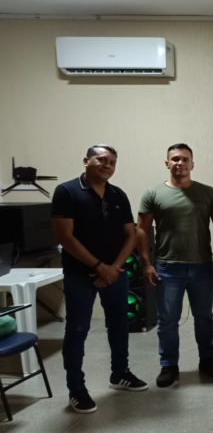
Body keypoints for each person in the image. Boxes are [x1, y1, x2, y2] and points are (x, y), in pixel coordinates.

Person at [52, 145, 147, 413]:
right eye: (101, 160)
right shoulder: (67, 192)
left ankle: (120, 374)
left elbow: (131, 234)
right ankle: (76, 389)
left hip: (114, 274)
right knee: (78, 330)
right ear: (86, 160)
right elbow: (65, 237)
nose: (107, 165)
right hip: (80, 275)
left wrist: (114, 268)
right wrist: (98, 266)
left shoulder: (118, 195)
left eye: (112, 162)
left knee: (119, 324)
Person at [137, 143, 213, 388]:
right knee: (167, 321)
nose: (179, 163)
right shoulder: (153, 194)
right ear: (167, 163)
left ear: (192, 164)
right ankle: (169, 365)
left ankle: (207, 360)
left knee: (205, 318)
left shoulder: (208, 193)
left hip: (202, 267)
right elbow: (141, 231)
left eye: (185, 159)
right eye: (174, 159)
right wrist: (146, 264)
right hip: (167, 268)